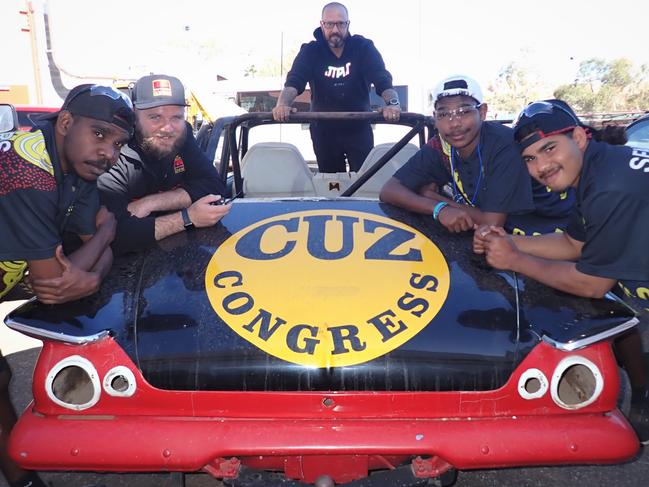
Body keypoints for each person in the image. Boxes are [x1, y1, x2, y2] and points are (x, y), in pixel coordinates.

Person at [474, 100, 649, 439]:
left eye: (549, 148)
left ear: (580, 137)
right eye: (530, 158)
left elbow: (592, 284)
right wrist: (508, 241)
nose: (541, 166)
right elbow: (573, 243)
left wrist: (514, 260)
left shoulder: (610, 185)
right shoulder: (600, 169)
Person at [0, 83, 135, 487]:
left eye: (118, 143)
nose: (109, 153)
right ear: (65, 122)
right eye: (99, 134)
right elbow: (53, 284)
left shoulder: (76, 167)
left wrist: (92, 265)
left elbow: (81, 261)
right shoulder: (26, 169)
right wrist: (104, 238)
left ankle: (21, 480)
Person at [381, 74, 575, 234]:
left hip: (549, 235)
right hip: (501, 238)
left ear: (482, 112)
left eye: (463, 111)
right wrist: (438, 209)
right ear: (435, 118)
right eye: (444, 114)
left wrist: (435, 198)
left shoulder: (504, 145)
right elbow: (389, 191)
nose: (454, 122)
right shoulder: (440, 146)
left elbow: (491, 223)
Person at [97, 74, 230, 255]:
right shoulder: (113, 150)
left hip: (176, 254)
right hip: (127, 267)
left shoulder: (182, 136)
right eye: (155, 117)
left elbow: (214, 187)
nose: (168, 128)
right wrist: (187, 218)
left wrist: (151, 203)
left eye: (176, 117)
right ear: (134, 115)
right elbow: (111, 234)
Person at [271, 2, 401, 173]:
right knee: (331, 184)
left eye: (340, 23)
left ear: (348, 24)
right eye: (330, 24)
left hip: (359, 127)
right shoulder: (311, 50)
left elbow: (381, 78)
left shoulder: (363, 47)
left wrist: (392, 103)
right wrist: (282, 104)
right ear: (322, 24)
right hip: (324, 130)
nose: (335, 30)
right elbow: (295, 80)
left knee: (364, 180)